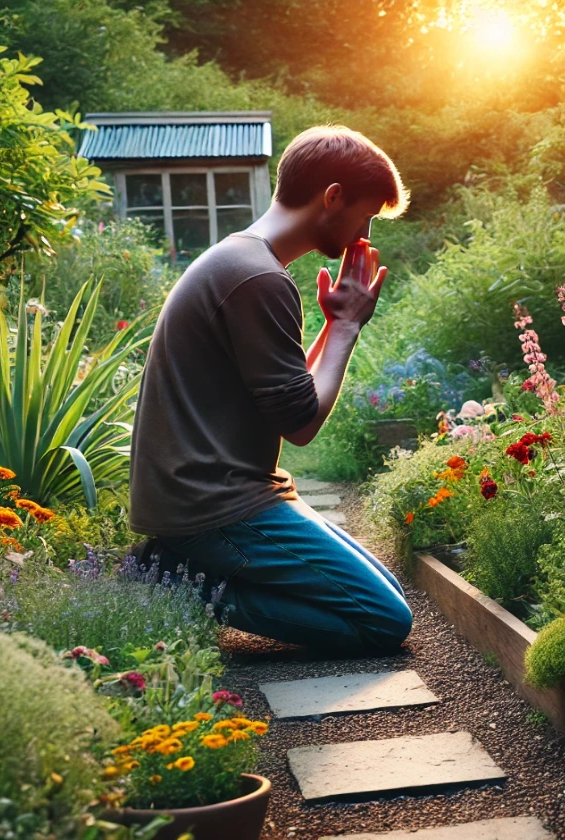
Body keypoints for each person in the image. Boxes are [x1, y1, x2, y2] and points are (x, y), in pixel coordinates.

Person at [128, 125, 413, 653]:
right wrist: (348, 329)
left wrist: (332, 323)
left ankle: (177, 568)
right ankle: (168, 583)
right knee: (384, 619)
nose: (364, 233)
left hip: (214, 498)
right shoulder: (257, 277)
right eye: (366, 214)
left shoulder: (243, 261)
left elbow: (279, 393)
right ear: (332, 198)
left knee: (387, 592)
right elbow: (301, 423)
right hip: (215, 507)